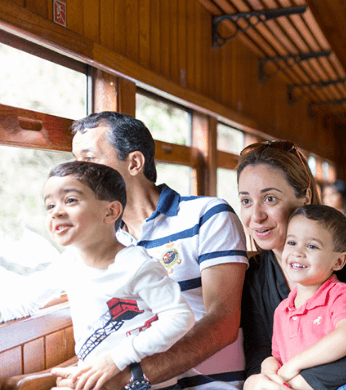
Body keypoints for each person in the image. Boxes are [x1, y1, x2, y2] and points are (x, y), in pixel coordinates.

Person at [53, 112, 249, 390]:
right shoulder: (102, 241)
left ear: (134, 163)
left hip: (206, 384)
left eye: (89, 159)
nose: (75, 172)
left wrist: (129, 377)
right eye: (74, 161)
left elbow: (224, 321)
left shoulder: (207, 215)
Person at [0, 161, 195, 390]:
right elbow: (27, 301)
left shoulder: (137, 265)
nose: (57, 212)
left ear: (110, 212)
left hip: (147, 384)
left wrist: (116, 359)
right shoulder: (68, 262)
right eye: (50, 205)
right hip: (95, 378)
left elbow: (180, 317)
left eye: (70, 200)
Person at [237, 140, 346, 390]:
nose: (256, 216)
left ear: (305, 196)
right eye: (246, 201)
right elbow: (261, 350)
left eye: (270, 198)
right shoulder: (254, 273)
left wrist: (298, 384)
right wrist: (258, 381)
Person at [262, 204, 346, 388]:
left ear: (338, 261)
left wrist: (294, 365)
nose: (297, 252)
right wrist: (268, 369)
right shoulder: (282, 310)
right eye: (291, 242)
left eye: (312, 246)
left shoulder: (339, 293)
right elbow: (278, 357)